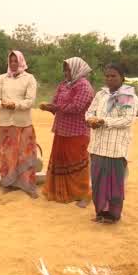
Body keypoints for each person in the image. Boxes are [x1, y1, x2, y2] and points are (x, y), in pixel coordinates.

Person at [84, 63, 138, 224]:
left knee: (114, 183)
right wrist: (90, 120)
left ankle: (113, 215)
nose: (109, 79)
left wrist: (103, 122)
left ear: (122, 77)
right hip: (98, 145)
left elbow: (127, 119)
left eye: (113, 76)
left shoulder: (129, 97)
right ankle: (100, 211)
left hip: (116, 147)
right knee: (98, 180)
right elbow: (89, 111)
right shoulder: (101, 94)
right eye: (107, 76)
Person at [40, 57, 95, 207]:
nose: (65, 72)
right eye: (64, 69)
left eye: (68, 69)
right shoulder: (64, 85)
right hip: (62, 129)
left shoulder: (84, 87)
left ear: (77, 69)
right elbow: (56, 101)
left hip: (77, 131)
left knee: (77, 162)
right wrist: (50, 106)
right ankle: (61, 192)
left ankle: (82, 193)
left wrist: (56, 107)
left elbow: (76, 107)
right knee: (61, 160)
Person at [0, 50, 41, 198]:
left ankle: (28, 186)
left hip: (23, 122)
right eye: (11, 61)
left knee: (25, 154)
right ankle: (8, 184)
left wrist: (15, 105)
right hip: (5, 122)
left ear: (21, 62)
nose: (13, 64)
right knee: (7, 154)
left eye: (16, 61)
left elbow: (30, 100)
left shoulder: (29, 78)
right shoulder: (2, 78)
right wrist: (3, 104)